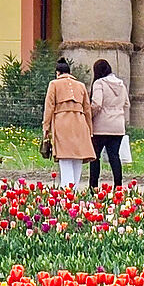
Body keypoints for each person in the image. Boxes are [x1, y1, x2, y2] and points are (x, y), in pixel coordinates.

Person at [42, 57, 94, 188]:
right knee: (78, 158)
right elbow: (87, 109)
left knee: (65, 159)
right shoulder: (81, 85)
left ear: (57, 72)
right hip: (80, 123)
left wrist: (46, 127)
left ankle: (68, 194)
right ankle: (74, 191)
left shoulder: (54, 84)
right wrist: (90, 130)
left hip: (62, 123)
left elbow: (49, 107)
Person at [89, 57, 129, 189]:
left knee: (95, 156)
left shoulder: (99, 83)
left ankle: (93, 186)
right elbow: (127, 104)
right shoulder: (121, 84)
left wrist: (89, 116)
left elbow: (97, 104)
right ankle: (118, 186)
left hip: (101, 126)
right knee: (114, 156)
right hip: (118, 126)